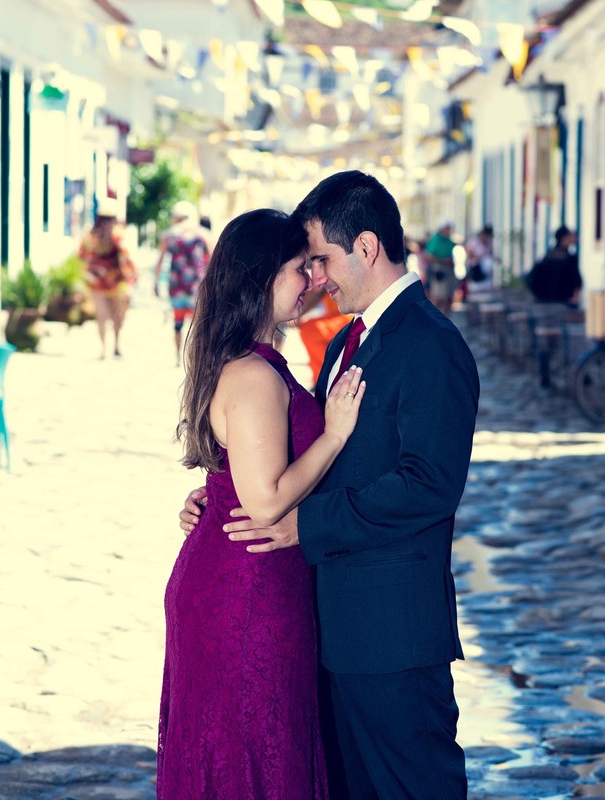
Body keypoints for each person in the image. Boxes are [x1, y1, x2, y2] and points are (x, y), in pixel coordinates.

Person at [179, 171, 480, 800]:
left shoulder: (431, 344)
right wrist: (224, 493)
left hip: (391, 631)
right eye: (306, 264)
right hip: (327, 624)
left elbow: (428, 484)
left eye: (322, 258)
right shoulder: (346, 339)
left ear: (366, 248)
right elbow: (297, 451)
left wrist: (306, 525)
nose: (317, 277)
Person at [159, 208, 368, 799]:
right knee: (253, 748)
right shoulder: (252, 374)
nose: (314, 281)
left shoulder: (251, 361)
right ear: (262, 276)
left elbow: (241, 474)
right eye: (301, 269)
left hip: (246, 575)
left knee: (254, 746)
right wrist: (334, 433)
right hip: (246, 591)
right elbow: (267, 498)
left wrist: (210, 497)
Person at [77, 198, 137, 360]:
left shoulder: (89, 234)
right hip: (117, 281)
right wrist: (132, 276)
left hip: (96, 281)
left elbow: (81, 256)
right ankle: (116, 345)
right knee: (117, 315)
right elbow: (127, 257)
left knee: (101, 316)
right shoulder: (118, 233)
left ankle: (104, 349)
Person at [154, 200, 211, 365]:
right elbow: (214, 257)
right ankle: (198, 358)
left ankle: (178, 357)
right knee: (199, 325)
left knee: (177, 323)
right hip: (198, 288)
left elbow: (160, 261)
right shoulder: (202, 233)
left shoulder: (169, 235)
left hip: (176, 286)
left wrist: (156, 283)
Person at [295, 287, 352, 390]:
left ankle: (325, 377)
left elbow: (314, 295)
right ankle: (325, 376)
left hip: (349, 317)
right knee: (310, 329)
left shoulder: (327, 276)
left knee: (310, 330)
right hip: (339, 318)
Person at [526, 226, 582, 306]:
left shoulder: (547, 256)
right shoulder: (569, 259)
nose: (575, 237)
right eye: (571, 235)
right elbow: (576, 280)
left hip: (544, 302)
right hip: (564, 303)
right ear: (564, 238)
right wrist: (575, 298)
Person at [423, 221, 457, 315]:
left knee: (448, 296)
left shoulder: (449, 240)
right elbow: (428, 256)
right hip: (438, 270)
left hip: (448, 270)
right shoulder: (435, 240)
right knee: (437, 296)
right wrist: (442, 261)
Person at [463, 225, 494, 298]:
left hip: (484, 272)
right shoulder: (474, 243)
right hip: (476, 268)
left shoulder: (489, 244)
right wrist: (478, 257)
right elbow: (469, 253)